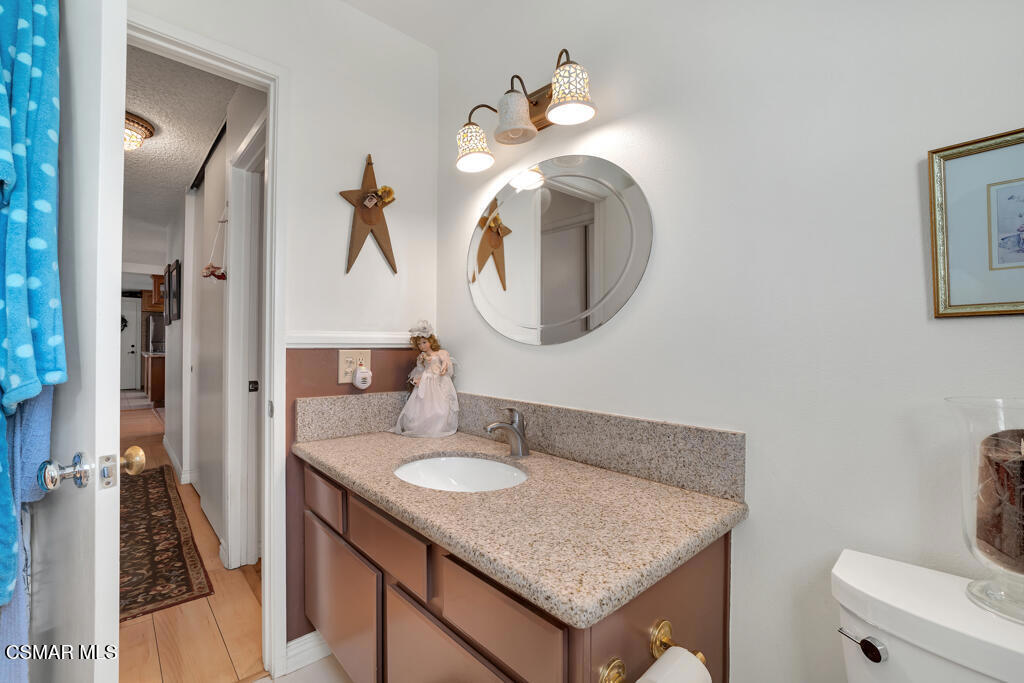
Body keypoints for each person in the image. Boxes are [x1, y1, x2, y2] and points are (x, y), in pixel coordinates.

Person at [394, 320, 458, 437]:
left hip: (438, 382)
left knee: (441, 407)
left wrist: (443, 367)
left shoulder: (440, 353)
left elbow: (446, 361)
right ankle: (423, 427)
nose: (422, 346)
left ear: (431, 341)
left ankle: (438, 427)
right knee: (423, 407)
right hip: (426, 382)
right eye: (419, 344)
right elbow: (420, 370)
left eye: (424, 342)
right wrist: (417, 377)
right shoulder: (421, 356)